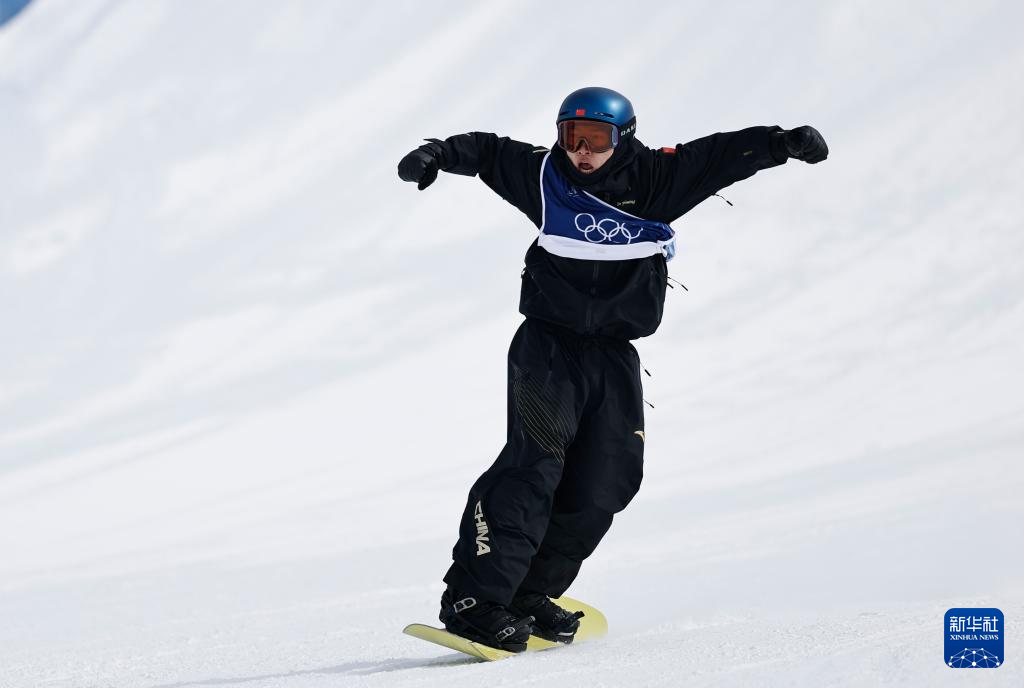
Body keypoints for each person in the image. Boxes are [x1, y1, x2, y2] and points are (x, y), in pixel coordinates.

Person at [397, 87, 828, 652]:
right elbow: (489, 151)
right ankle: (474, 600)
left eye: (596, 139)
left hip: (614, 355)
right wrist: (438, 153)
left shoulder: (657, 180)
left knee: (609, 477)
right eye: (571, 137)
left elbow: (721, 154)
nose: (582, 151)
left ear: (623, 138)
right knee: (535, 465)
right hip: (548, 348)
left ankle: (528, 592)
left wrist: (780, 143)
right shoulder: (545, 177)